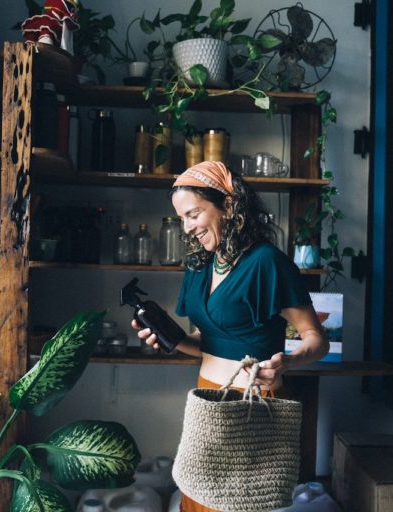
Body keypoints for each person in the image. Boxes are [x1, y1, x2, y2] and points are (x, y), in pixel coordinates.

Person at [132, 160, 329, 512]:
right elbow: (208, 343)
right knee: (197, 497)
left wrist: (288, 362)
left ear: (227, 204)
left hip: (256, 400)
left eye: (193, 214)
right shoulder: (198, 265)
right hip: (208, 395)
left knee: (240, 502)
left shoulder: (267, 262)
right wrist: (171, 340)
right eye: (181, 219)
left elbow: (316, 339)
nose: (187, 227)